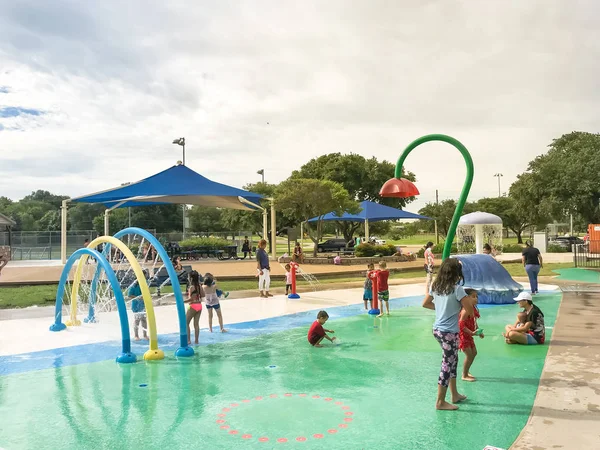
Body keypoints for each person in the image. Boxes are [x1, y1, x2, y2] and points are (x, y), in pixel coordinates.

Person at [422, 258, 473, 411]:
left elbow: (425, 303)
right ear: (456, 273)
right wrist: (458, 311)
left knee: (453, 360)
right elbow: (469, 309)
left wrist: (441, 311)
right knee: (447, 364)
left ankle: (454, 394)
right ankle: (440, 402)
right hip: (449, 332)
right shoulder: (457, 289)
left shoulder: (436, 286)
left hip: (438, 330)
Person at [459, 288, 484, 382]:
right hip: (462, 336)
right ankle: (464, 375)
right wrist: (471, 332)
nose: (476, 299)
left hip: (468, 335)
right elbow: (461, 325)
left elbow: (474, 322)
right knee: (469, 355)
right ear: (466, 298)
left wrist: (478, 331)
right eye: (473, 296)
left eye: (476, 296)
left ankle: (466, 371)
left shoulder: (473, 309)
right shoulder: (465, 310)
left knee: (474, 353)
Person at [185, 270, 204, 345]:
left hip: (192, 306)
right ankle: (196, 340)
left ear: (191, 279)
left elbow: (191, 299)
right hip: (199, 306)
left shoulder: (191, 288)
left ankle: (188, 340)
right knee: (196, 324)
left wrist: (182, 301)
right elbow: (203, 295)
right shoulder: (200, 286)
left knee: (186, 323)